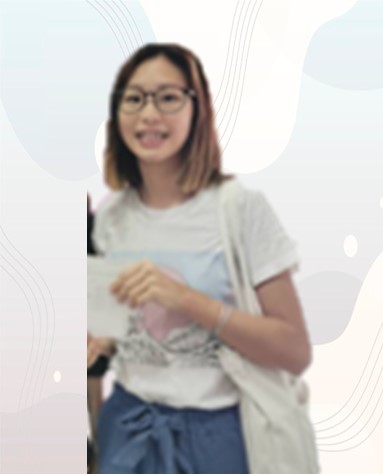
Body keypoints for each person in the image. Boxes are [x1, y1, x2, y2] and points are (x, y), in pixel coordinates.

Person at [89, 43, 312, 474]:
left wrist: (187, 300)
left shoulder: (240, 209)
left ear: (198, 109)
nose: (149, 114)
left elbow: (294, 351)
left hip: (219, 438)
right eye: (134, 99)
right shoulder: (111, 218)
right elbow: (124, 334)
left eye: (168, 97)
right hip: (129, 429)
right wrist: (100, 342)